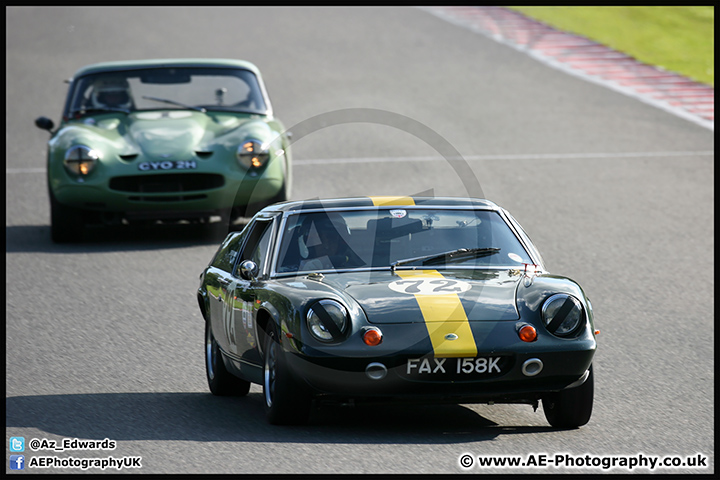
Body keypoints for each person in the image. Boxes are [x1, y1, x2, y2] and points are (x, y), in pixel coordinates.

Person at [298, 213, 363, 271]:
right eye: (320, 238)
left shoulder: (356, 267)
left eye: (331, 238)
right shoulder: (292, 268)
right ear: (308, 240)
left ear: (341, 243)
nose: (326, 246)